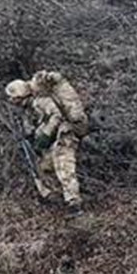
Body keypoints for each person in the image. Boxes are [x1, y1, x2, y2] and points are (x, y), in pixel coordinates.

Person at [6, 70, 87, 210]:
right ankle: (55, 197)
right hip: (58, 132)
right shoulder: (31, 105)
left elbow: (57, 115)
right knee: (44, 165)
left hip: (67, 130)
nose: (12, 101)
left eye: (13, 98)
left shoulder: (40, 101)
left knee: (62, 161)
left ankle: (74, 201)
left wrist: (45, 135)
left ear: (20, 96)